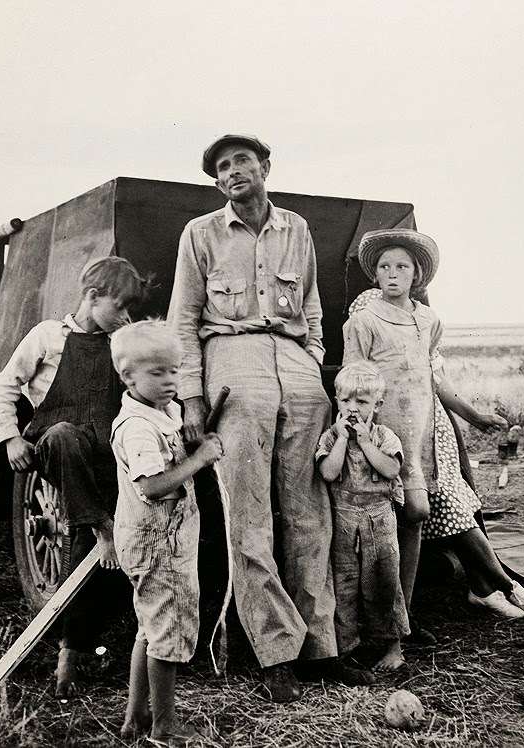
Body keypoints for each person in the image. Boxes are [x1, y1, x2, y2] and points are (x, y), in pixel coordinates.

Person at [167, 134, 373, 702]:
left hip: (295, 363)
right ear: (216, 181)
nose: (235, 172)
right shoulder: (200, 234)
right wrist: (191, 398)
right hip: (232, 361)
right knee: (249, 511)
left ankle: (322, 650)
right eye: (223, 167)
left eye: (243, 161)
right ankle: (274, 651)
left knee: (311, 510)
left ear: (265, 167)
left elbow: (311, 303)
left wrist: (310, 358)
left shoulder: (296, 228)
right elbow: (183, 320)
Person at [344, 229, 524, 620]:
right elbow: (358, 378)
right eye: (385, 266)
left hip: (429, 432)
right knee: (411, 513)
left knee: (435, 510)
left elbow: (434, 378)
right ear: (375, 274)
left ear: (417, 274)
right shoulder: (365, 313)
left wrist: (474, 416)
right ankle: (491, 589)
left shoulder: (429, 320)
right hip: (389, 429)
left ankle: (481, 590)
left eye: (402, 266)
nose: (393, 273)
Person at [0, 256, 151, 698]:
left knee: (88, 547)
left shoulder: (120, 342)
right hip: (54, 448)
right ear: (92, 297)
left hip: (103, 458)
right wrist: (9, 440)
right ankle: (101, 526)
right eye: (119, 307)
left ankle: (72, 652)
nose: (126, 318)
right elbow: (4, 387)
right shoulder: (46, 336)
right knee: (64, 436)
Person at [109, 321, 223, 746]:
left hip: (158, 537)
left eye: (175, 371)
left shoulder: (161, 411)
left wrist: (195, 446)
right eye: (158, 373)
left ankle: (135, 715)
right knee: (168, 632)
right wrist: (202, 459)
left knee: (149, 627)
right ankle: (165, 726)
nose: (170, 381)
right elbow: (153, 486)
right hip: (158, 540)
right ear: (128, 376)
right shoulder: (137, 426)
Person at [316, 362, 411, 671]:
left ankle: (393, 646)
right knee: (344, 583)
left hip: (379, 519)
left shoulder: (384, 437)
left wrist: (366, 442)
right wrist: (343, 439)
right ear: (337, 401)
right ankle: (346, 648)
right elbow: (329, 473)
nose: (352, 408)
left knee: (384, 580)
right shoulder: (331, 439)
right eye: (345, 401)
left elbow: (391, 469)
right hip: (343, 519)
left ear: (377, 405)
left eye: (362, 402)